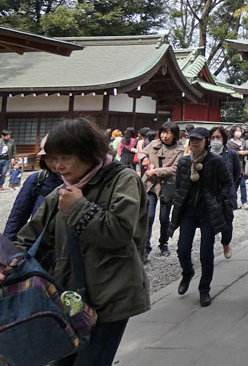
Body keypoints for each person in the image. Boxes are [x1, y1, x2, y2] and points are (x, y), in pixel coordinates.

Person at [3, 117, 149, 366]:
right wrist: (5, 262)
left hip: (111, 296)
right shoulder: (61, 191)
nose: (58, 166)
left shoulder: (122, 180)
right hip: (68, 297)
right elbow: (29, 237)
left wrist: (79, 207)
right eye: (52, 158)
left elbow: (121, 232)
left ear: (89, 153)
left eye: (66, 157)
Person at [169, 127, 234, 307]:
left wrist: (218, 200)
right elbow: (178, 186)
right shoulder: (184, 162)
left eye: (198, 140)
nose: (195, 143)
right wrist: (178, 201)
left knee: (206, 252)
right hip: (189, 211)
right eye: (192, 140)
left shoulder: (216, 161)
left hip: (208, 211)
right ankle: (187, 272)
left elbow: (228, 183)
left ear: (205, 142)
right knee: (182, 249)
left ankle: (204, 289)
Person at [3, 135, 61, 241]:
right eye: (48, 157)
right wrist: (7, 249)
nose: (53, 162)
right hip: (41, 247)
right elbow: (18, 216)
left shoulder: (86, 183)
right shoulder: (38, 179)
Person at [139, 121, 183, 259]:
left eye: (168, 133)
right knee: (149, 217)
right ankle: (145, 248)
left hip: (167, 186)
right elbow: (141, 153)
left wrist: (156, 171)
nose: (164, 136)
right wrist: (144, 159)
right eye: (163, 132)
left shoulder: (180, 149)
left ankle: (163, 243)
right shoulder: (153, 144)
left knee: (164, 218)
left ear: (174, 134)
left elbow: (175, 168)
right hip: (151, 186)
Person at [208, 126, 238, 259]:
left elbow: (236, 173)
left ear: (223, 139)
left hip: (227, 195)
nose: (215, 140)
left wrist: (231, 189)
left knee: (227, 223)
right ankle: (207, 250)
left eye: (218, 137)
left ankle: (226, 243)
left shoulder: (231, 154)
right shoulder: (205, 153)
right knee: (208, 224)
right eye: (213, 137)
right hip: (209, 194)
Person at [227, 125, 248, 210]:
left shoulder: (243, 141)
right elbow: (229, 153)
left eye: (240, 130)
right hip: (233, 166)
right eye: (237, 130)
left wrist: (246, 152)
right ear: (233, 132)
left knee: (243, 184)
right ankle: (234, 202)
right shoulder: (229, 142)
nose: (239, 132)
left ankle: (244, 202)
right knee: (235, 186)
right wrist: (239, 153)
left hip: (242, 165)